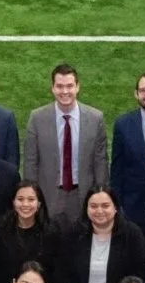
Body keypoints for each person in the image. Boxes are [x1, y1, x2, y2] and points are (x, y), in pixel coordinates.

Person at [22, 62, 107, 230]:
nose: (65, 91)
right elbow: (30, 161)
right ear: (52, 88)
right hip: (48, 194)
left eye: (70, 86)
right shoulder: (37, 118)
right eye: (59, 86)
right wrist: (32, 197)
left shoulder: (95, 118)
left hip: (83, 194)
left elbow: (100, 161)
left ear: (78, 87)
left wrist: (101, 194)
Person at [58, 187, 145, 283]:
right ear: (86, 209)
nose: (99, 211)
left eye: (105, 206)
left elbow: (139, 276)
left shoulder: (132, 235)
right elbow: (62, 274)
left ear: (115, 208)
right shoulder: (73, 234)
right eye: (93, 206)